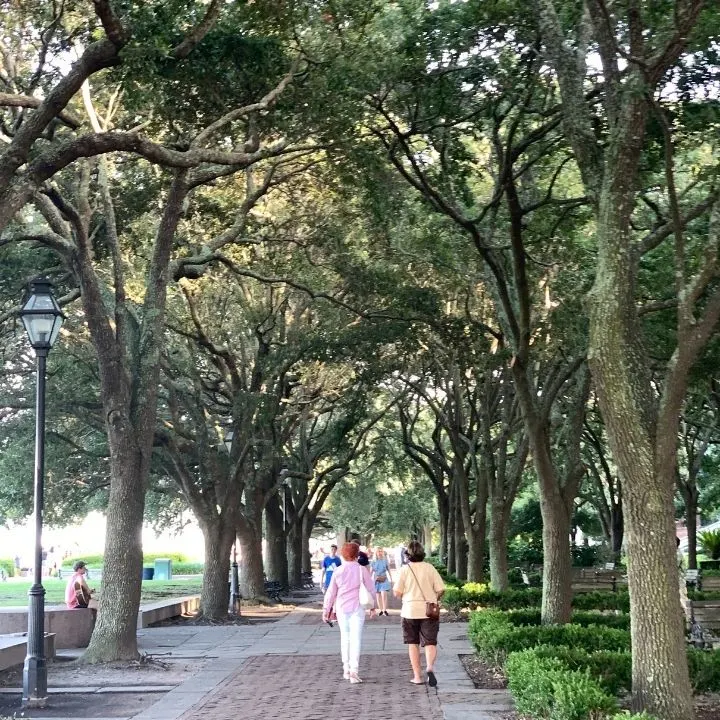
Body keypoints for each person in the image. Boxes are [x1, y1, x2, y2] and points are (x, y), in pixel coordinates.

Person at [322, 542, 377, 684]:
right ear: (357, 554)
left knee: (344, 638)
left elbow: (331, 592)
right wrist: (373, 607)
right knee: (356, 639)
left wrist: (326, 610)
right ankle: (354, 670)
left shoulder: (338, 571)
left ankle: (346, 669)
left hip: (341, 607)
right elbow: (371, 588)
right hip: (357, 607)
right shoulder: (361, 570)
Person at [394, 540, 445, 687]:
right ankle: (429, 667)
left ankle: (417, 676)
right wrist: (434, 598)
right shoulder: (430, 568)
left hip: (409, 610)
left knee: (413, 643)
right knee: (430, 642)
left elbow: (397, 592)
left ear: (407, 555)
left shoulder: (404, 570)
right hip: (429, 611)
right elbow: (441, 589)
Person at [371, 547, 393, 616]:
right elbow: (371, 571)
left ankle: (384, 610)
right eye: (378, 551)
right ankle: (380, 610)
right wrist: (369, 580)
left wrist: (391, 578)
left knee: (384, 594)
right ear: (376, 553)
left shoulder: (385, 560)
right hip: (376, 579)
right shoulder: (373, 561)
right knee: (378, 595)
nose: (380, 553)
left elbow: (389, 569)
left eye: (381, 551)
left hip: (384, 578)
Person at [677, 536, 690, 625]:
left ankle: (689, 619)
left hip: (680, 582)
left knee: (683, 599)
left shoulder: (677, 553)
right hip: (678, 581)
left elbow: (674, 566)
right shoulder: (676, 552)